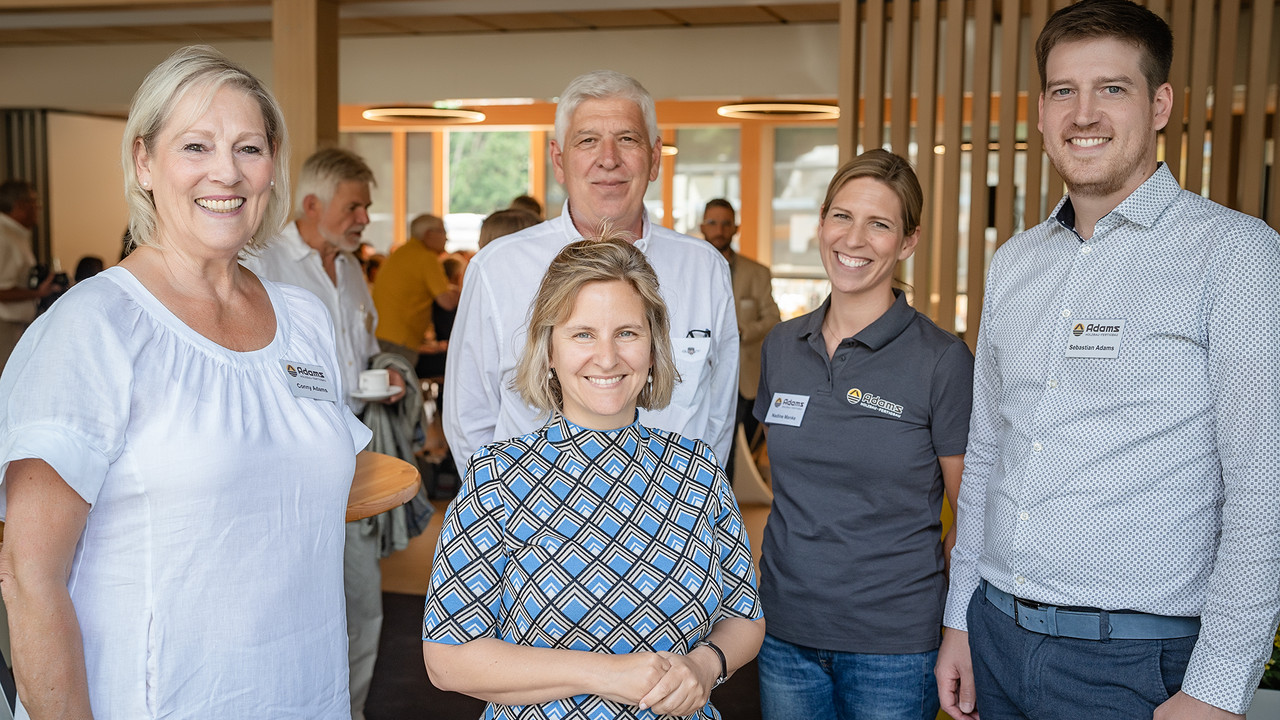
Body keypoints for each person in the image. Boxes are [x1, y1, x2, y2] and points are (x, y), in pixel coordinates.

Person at [0, 45, 371, 719]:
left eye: (248, 148)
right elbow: (29, 576)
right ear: (144, 162)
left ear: (273, 165)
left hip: (306, 693)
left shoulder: (304, 319)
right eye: (195, 146)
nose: (225, 172)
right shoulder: (94, 326)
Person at [934, 2, 1280, 719]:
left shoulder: (1236, 256)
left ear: (1160, 105)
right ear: (1040, 110)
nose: (1083, 113)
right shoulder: (1013, 263)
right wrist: (962, 618)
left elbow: (1264, 486)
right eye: (1064, 90)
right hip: (996, 636)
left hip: (1134, 661)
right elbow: (988, 453)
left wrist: (1217, 690)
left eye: (1111, 89)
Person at [422, 235, 765, 719]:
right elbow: (448, 660)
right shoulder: (497, 477)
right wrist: (607, 674)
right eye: (583, 334)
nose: (607, 358)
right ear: (549, 351)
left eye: (627, 333)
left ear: (653, 347)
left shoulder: (699, 470)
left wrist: (706, 666)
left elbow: (745, 618)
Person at [754, 149, 972, 720]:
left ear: (907, 242)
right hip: (784, 631)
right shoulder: (781, 345)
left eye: (880, 224)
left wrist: (960, 631)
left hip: (894, 644)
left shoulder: (941, 359)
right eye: (842, 216)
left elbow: (971, 512)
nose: (854, 239)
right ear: (822, 222)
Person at [444, 70, 738, 473]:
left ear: (655, 157)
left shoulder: (705, 268)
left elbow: (718, 416)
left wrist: (685, 508)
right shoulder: (497, 269)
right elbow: (469, 421)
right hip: (534, 525)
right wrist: (508, 512)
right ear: (559, 161)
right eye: (588, 140)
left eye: (627, 139)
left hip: (667, 520)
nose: (609, 159)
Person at [240, 145, 406, 720]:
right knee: (289, 612)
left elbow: (358, 351)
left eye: (366, 207)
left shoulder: (354, 269)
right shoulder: (260, 266)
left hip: (352, 464)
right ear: (311, 204)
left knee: (362, 608)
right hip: (281, 476)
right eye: (355, 207)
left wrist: (385, 371)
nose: (364, 218)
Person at [700, 198, 780, 448]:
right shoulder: (690, 268)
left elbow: (772, 319)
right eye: (712, 223)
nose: (719, 230)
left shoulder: (757, 273)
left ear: (736, 228)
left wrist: (743, 332)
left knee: (736, 452)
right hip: (698, 374)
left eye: (726, 224)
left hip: (742, 379)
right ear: (702, 226)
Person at [372, 212, 459, 365]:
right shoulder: (426, 257)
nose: (447, 238)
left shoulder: (402, 252)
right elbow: (447, 302)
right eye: (443, 232)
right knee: (401, 384)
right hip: (400, 340)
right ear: (428, 234)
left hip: (382, 334)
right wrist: (463, 292)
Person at [0, 181, 56, 369]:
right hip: (4, 326)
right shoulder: (3, 235)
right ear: (21, 205)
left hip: (13, 324)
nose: (39, 207)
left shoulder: (13, 232)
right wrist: (38, 293)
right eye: (35, 202)